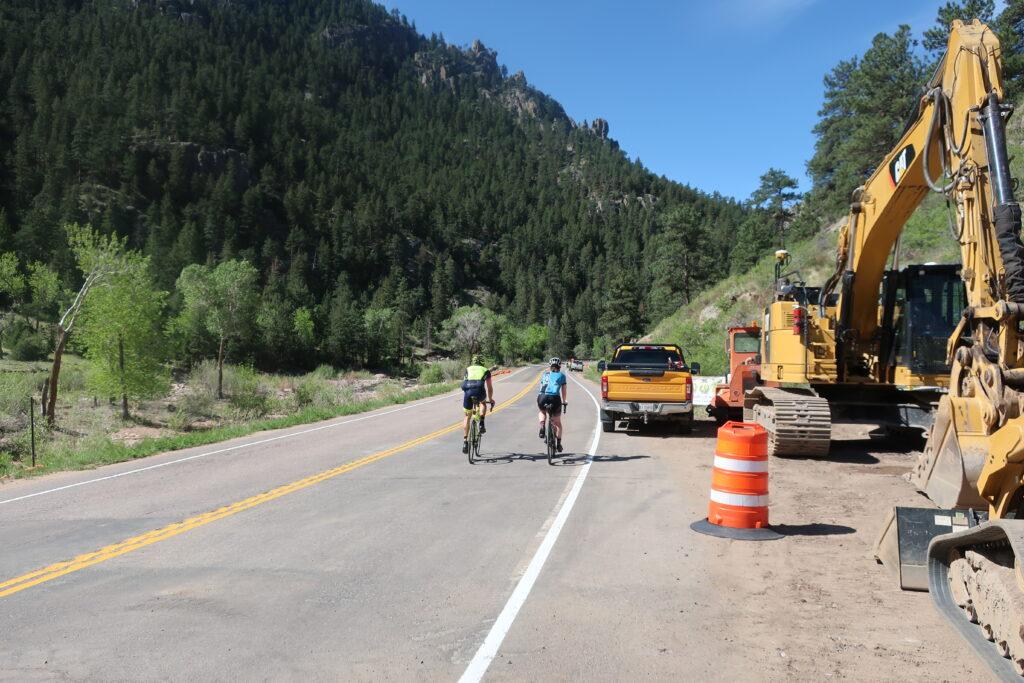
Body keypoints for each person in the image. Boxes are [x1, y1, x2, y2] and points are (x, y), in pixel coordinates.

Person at [462, 355, 494, 454]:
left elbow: (465, 383)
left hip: (468, 391)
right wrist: (491, 399)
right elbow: (489, 388)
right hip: (479, 390)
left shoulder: (468, 369)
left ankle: (465, 442)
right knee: (483, 403)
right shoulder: (486, 370)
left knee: (467, 416)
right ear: (482, 362)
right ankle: (481, 422)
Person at [537, 357, 567, 452]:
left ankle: (542, 426)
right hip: (555, 399)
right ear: (559, 366)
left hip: (542, 397)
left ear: (550, 367)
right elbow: (564, 390)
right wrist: (564, 401)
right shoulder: (562, 376)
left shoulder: (544, 375)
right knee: (557, 423)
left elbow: (541, 387)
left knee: (542, 411)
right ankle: (558, 443)